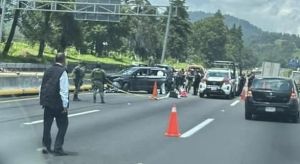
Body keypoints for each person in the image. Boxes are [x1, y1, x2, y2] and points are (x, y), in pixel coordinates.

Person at [39, 52, 69, 156]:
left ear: (55, 59)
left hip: (47, 103)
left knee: (47, 126)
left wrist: (42, 100)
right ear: (63, 60)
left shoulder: (48, 70)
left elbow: (42, 86)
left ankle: (46, 147)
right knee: (63, 125)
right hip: (58, 104)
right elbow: (64, 90)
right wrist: (65, 105)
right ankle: (58, 148)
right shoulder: (62, 72)